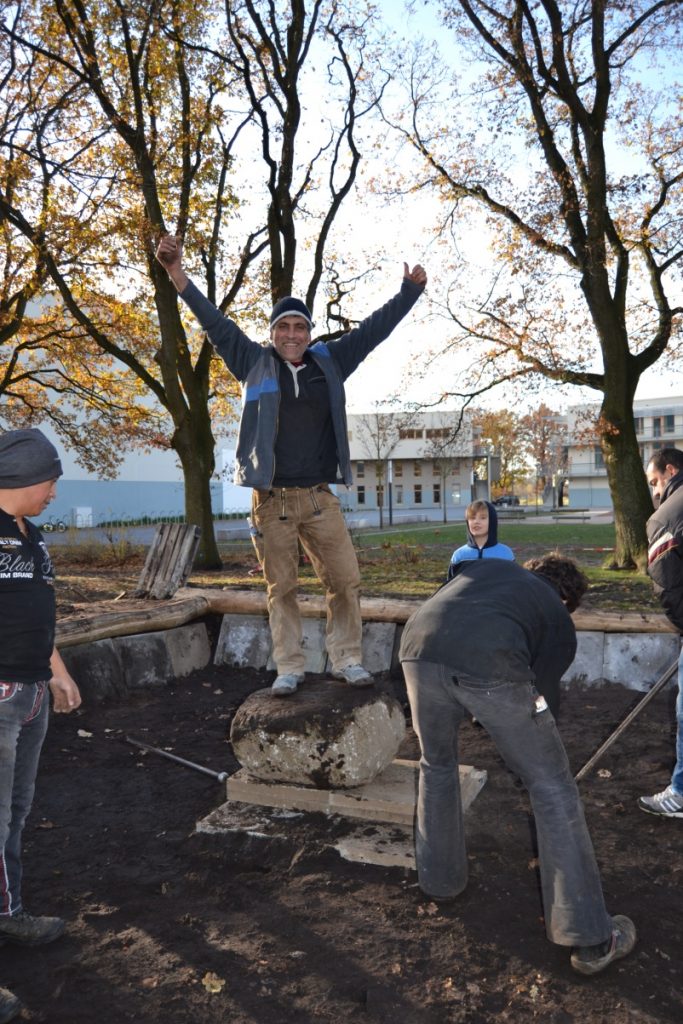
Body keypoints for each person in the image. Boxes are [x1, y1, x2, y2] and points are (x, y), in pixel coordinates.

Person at [156, 235, 427, 697]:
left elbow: (372, 332)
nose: (292, 335)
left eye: (300, 327)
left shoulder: (331, 361)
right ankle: (289, 666)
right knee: (281, 588)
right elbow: (213, 321)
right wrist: (176, 273)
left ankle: (347, 658)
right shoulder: (253, 362)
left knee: (345, 580)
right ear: (273, 332)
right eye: (284, 327)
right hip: (273, 501)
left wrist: (408, 294)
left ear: (309, 331)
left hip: (320, 498)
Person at [399, 554, 636, 976]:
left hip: (418, 649)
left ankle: (441, 881)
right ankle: (592, 939)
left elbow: (454, 611)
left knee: (436, 764)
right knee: (552, 788)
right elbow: (541, 698)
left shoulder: (486, 569)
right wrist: (540, 759)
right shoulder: (556, 616)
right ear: (567, 598)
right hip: (488, 662)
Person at [0, 428, 82, 1021]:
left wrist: (57, 672)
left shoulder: (36, 539)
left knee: (17, 810)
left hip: (31, 694)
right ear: (23, 480)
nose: (55, 491)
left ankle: (9, 912)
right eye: (50, 480)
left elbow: (40, 612)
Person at [639, 446, 683, 818]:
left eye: (655, 481)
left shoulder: (665, 516)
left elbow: (667, 585)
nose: (654, 491)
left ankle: (681, 793)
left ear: (670, 471)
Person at [447, 499, 514, 579]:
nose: (476, 522)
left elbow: (513, 586)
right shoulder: (459, 556)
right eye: (472, 518)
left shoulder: (505, 554)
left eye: (483, 518)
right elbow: (451, 588)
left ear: (492, 521)